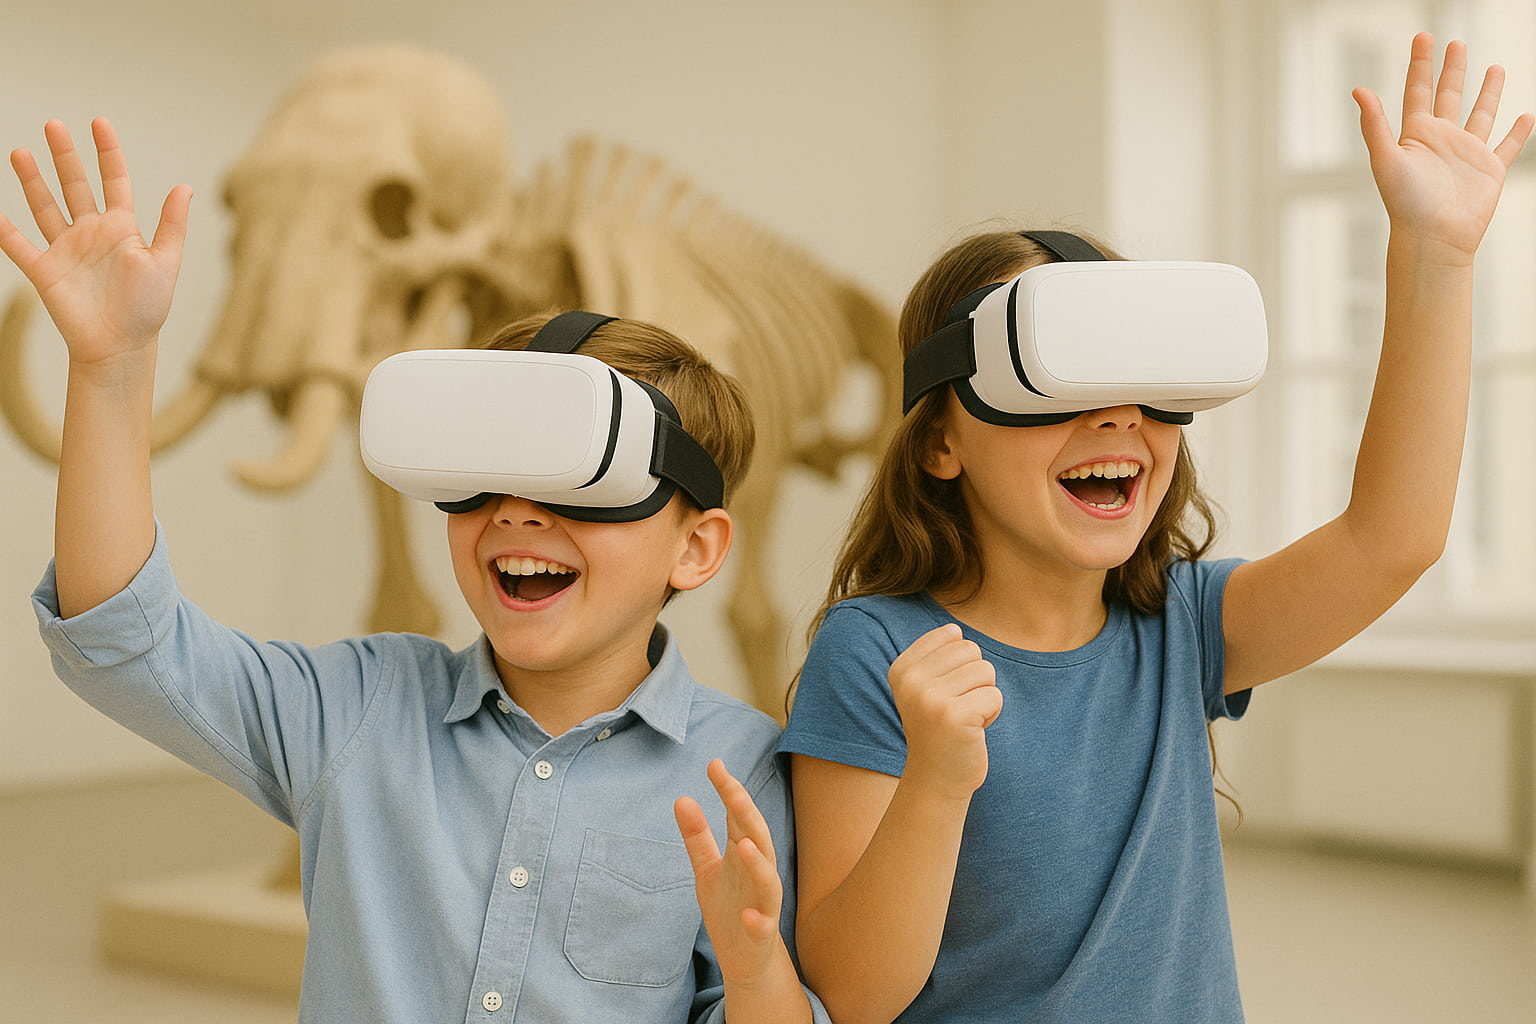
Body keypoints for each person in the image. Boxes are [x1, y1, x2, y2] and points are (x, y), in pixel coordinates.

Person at [777, 32, 1532, 1024]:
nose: (1116, 415)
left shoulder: (1182, 625)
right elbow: (852, 996)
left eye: (1143, 381)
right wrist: (935, 779)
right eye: (1056, 379)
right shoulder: (875, 652)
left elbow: (1395, 537)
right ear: (938, 444)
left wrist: (1434, 256)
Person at [1, 118, 826, 1024]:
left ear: (696, 548)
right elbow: (123, 638)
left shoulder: (744, 772)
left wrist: (756, 980)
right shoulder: (360, 707)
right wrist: (113, 370)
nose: (516, 511)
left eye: (581, 479)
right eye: (480, 476)